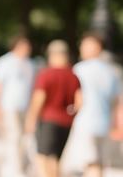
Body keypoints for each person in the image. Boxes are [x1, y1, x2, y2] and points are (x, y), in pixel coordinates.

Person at [66, 33, 122, 177]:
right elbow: (117, 101)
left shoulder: (79, 69)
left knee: (91, 163)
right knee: (99, 162)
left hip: (85, 122)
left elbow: (77, 98)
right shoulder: (112, 71)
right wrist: (116, 123)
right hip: (105, 123)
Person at [24, 40, 82, 177]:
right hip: (66, 122)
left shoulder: (46, 74)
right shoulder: (73, 76)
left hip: (48, 120)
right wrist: (71, 115)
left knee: (43, 157)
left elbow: (39, 98)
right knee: (55, 158)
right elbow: (79, 102)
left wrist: (31, 118)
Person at [0, 36, 35, 177]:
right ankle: (14, 169)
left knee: (24, 139)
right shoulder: (5, 62)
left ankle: (17, 166)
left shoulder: (30, 64)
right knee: (14, 137)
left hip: (25, 107)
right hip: (9, 106)